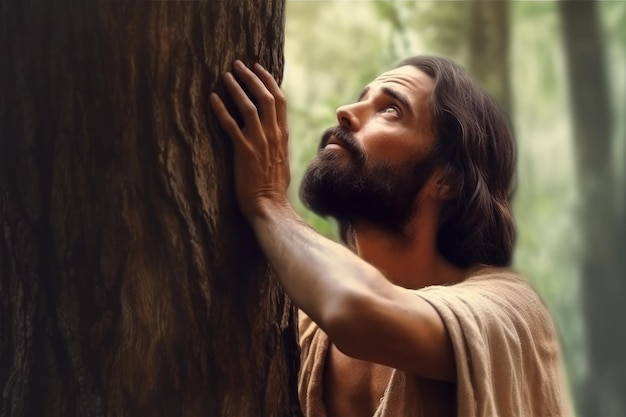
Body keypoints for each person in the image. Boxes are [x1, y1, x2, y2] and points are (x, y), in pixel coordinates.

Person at [210, 56, 574, 417]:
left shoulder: (510, 312)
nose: (346, 111)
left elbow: (354, 309)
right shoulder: (299, 328)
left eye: (390, 109)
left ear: (446, 179)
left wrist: (268, 202)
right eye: (362, 98)